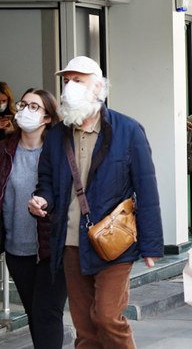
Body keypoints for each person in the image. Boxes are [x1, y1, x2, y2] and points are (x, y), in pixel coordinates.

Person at [28, 56, 164, 348]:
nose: (70, 87)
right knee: (85, 327)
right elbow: (48, 181)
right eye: (67, 81)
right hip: (71, 243)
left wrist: (152, 245)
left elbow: (147, 189)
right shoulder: (56, 136)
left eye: (78, 80)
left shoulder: (127, 130)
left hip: (114, 242)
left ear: (98, 87)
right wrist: (42, 199)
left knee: (106, 317)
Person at [0, 89, 66, 349]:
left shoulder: (61, 153)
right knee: (34, 314)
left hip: (53, 250)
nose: (26, 111)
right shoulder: (5, 151)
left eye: (35, 107)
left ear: (48, 117)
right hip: (17, 249)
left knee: (47, 314)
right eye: (24, 104)